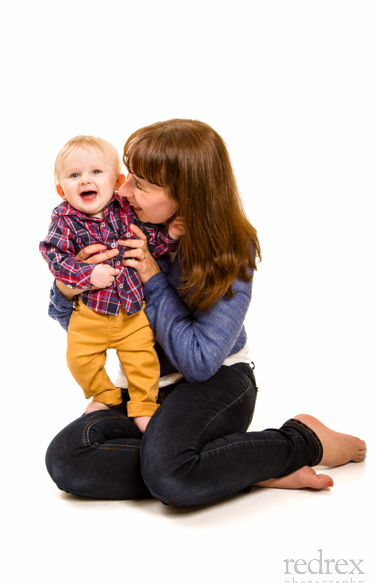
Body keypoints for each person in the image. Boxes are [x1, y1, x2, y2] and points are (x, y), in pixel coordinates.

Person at [45, 119, 366, 506]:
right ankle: (238, 468)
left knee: (169, 475)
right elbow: (85, 327)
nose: (123, 189)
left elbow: (199, 362)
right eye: (128, 178)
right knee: (68, 458)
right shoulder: (119, 229)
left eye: (141, 184)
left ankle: (303, 439)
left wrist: (151, 277)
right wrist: (70, 287)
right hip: (146, 385)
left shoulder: (230, 252)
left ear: (186, 194)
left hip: (218, 380)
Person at [39, 135, 180, 429]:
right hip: (90, 314)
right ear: (60, 189)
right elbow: (53, 254)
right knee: (78, 360)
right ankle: (106, 394)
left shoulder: (126, 210)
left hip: (131, 310)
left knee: (143, 361)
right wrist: (87, 276)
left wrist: (170, 237)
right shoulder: (64, 218)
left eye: (95, 172)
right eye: (74, 175)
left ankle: (143, 405)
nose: (84, 181)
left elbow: (149, 241)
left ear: (117, 181)